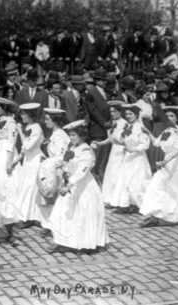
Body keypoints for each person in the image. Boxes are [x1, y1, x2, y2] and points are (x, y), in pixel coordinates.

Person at [48, 120, 108, 254]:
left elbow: (81, 172)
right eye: (70, 135)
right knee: (62, 213)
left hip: (83, 187)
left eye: (73, 135)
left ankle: (84, 243)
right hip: (68, 183)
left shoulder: (86, 151)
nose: (70, 138)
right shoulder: (72, 147)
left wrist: (68, 186)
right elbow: (63, 159)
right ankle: (62, 241)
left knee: (82, 215)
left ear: (82, 136)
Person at [139, 106, 178, 227]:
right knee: (156, 186)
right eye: (167, 116)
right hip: (165, 163)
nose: (169, 118)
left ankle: (175, 217)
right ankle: (155, 215)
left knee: (173, 190)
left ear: (177, 118)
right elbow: (156, 143)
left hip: (175, 163)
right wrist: (148, 132)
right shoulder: (166, 131)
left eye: (172, 116)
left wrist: (166, 161)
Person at [110, 104, 151, 214]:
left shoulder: (140, 127)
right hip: (128, 158)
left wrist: (134, 149)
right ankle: (127, 204)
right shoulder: (128, 126)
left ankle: (139, 204)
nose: (128, 116)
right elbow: (124, 139)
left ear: (136, 115)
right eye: (126, 114)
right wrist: (117, 140)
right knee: (125, 180)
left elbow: (145, 144)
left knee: (137, 181)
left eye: (130, 114)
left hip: (138, 158)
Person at [0, 97, 21, 245]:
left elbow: (11, 142)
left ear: (4, 108)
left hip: (7, 157)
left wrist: (9, 162)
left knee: (9, 190)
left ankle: (11, 231)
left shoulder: (12, 123)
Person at [11, 103, 44, 230]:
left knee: (31, 188)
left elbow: (28, 147)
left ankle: (31, 217)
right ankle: (29, 216)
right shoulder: (29, 126)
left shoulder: (36, 128)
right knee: (27, 187)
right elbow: (24, 150)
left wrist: (20, 131)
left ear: (31, 115)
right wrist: (15, 161)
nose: (22, 116)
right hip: (28, 161)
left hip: (35, 160)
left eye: (24, 114)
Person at [37, 108, 70, 236]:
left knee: (51, 198)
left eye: (47, 119)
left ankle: (53, 225)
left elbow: (62, 156)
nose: (45, 122)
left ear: (55, 120)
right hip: (51, 168)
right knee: (46, 198)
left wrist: (49, 162)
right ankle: (49, 224)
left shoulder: (60, 136)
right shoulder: (54, 133)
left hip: (56, 170)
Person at [91, 100, 127, 205]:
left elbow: (123, 140)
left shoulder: (124, 123)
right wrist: (99, 143)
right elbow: (110, 139)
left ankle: (119, 199)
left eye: (114, 111)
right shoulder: (112, 123)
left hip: (121, 150)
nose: (112, 114)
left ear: (120, 112)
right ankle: (110, 198)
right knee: (111, 173)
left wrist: (118, 139)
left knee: (118, 173)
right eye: (111, 112)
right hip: (114, 151)